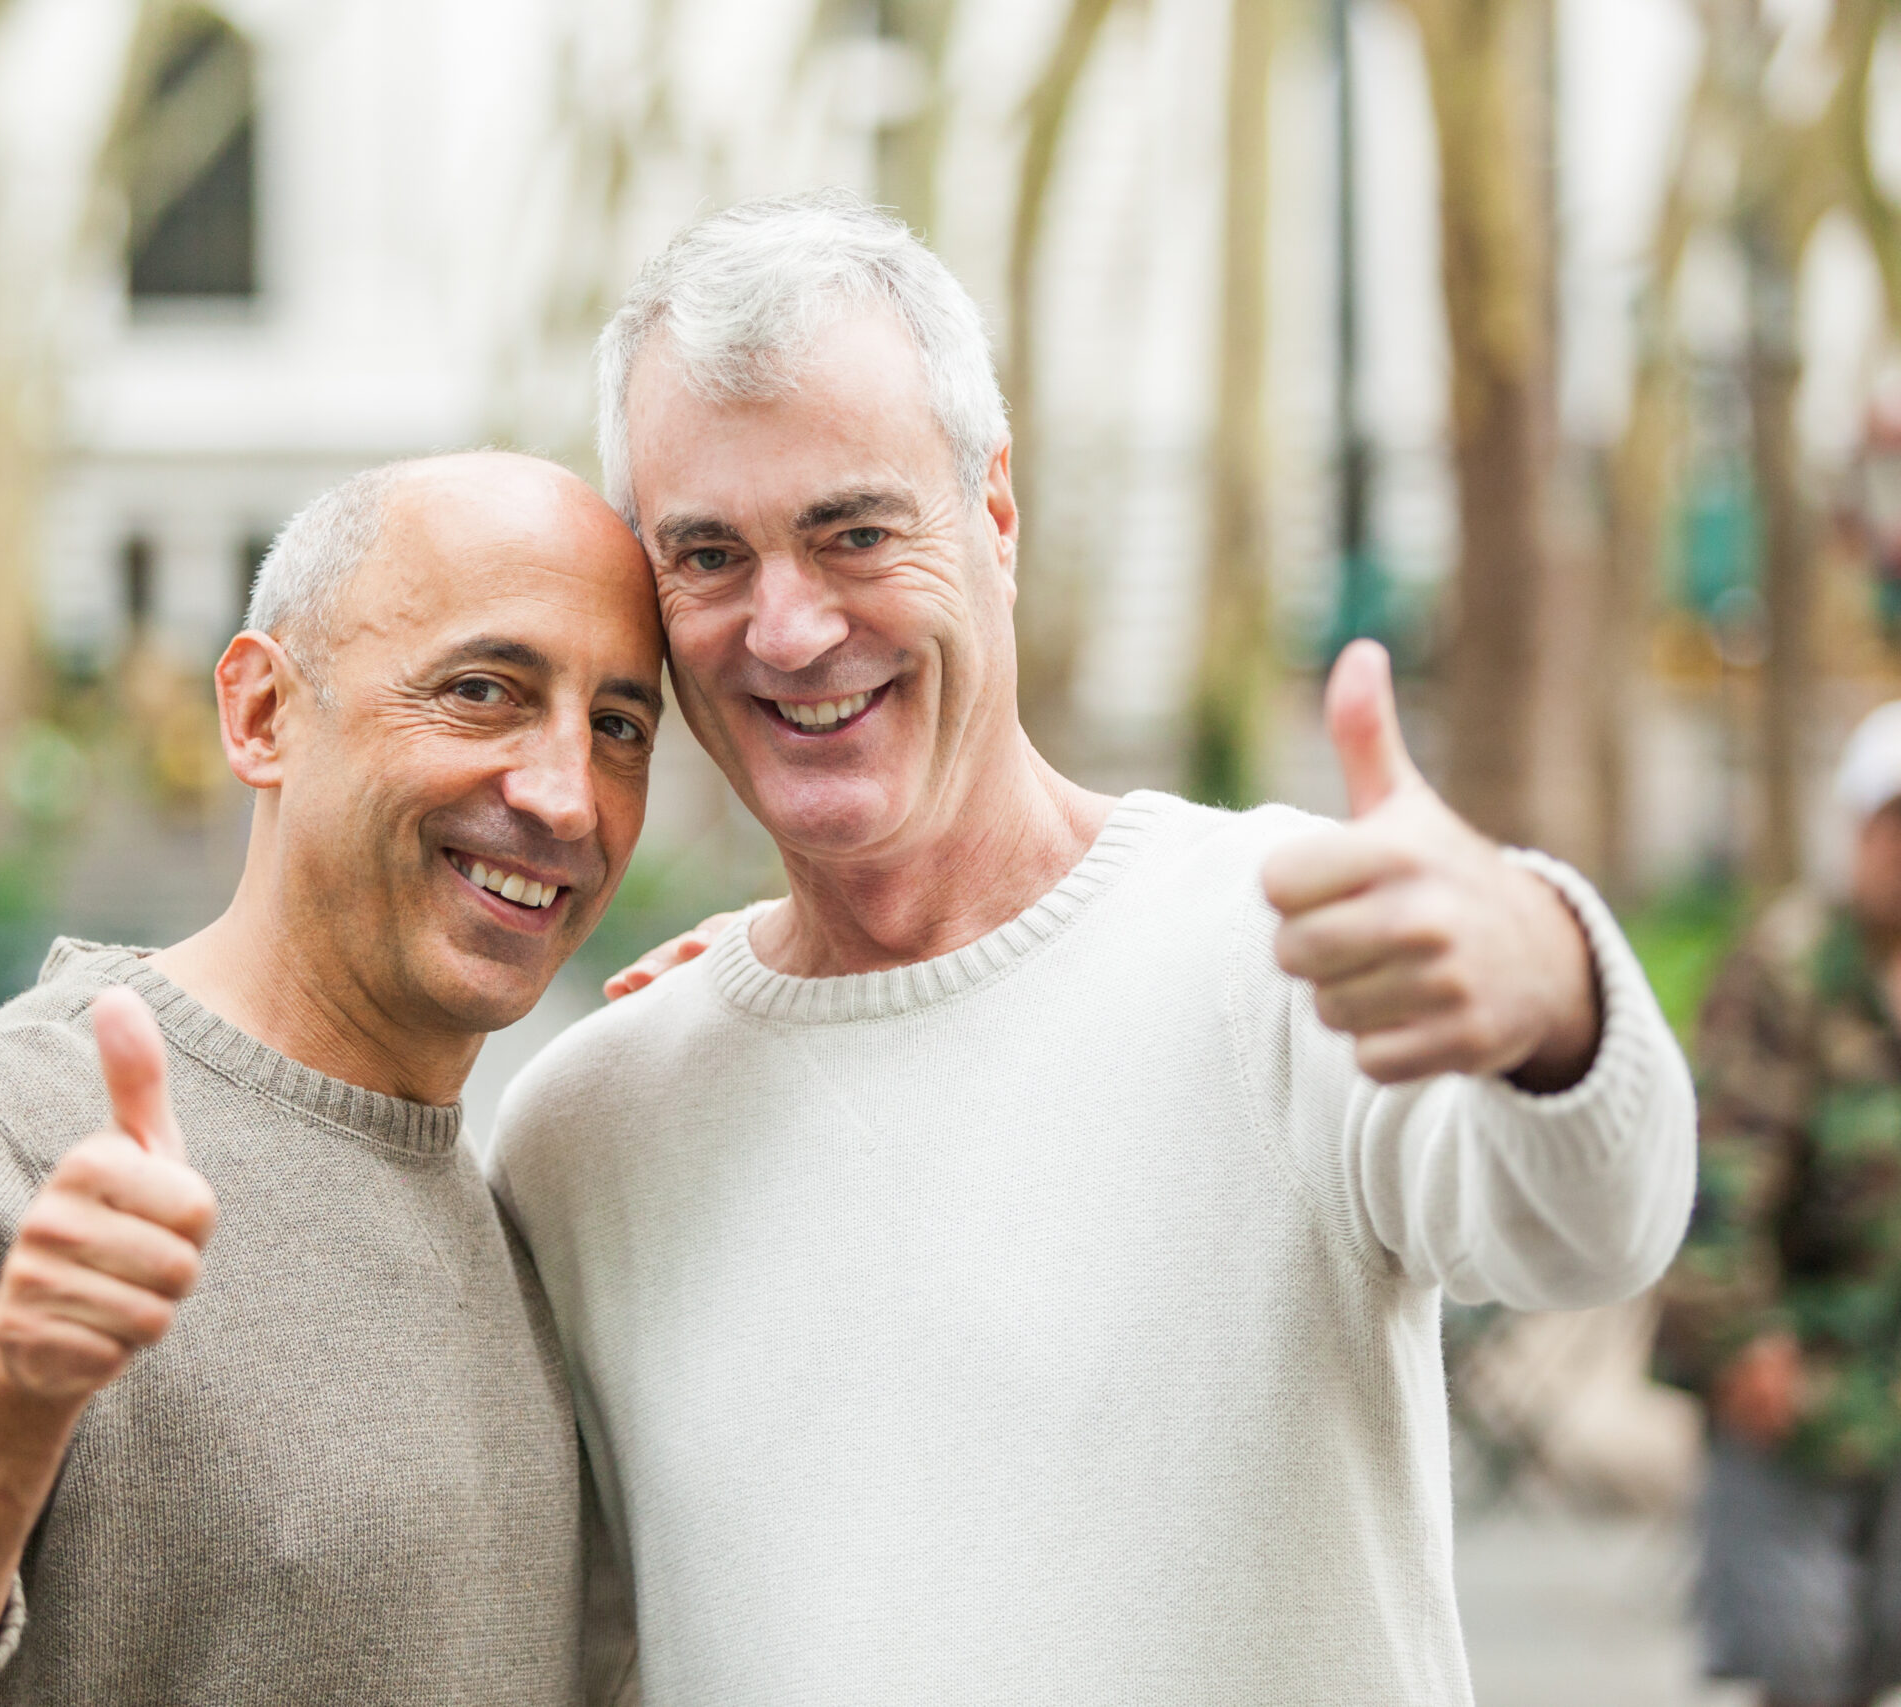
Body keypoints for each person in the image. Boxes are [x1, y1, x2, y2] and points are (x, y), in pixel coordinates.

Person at [488, 191, 1698, 1706]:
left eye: (854, 531)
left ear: (995, 514)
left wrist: (1549, 990)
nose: (786, 626)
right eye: (710, 555)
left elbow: (1596, 1228)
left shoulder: (1277, 941)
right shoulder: (590, 1126)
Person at [0, 452, 660, 1707]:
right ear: (259, 714)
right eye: (481, 691)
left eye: (618, 726)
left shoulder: (536, 1226)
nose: (566, 795)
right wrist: (6, 1391)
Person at [1657, 702, 1901, 1707]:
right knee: (1800, 1653)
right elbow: (1715, 1169)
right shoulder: (1787, 968)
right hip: (1796, 1359)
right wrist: (1739, 1336)